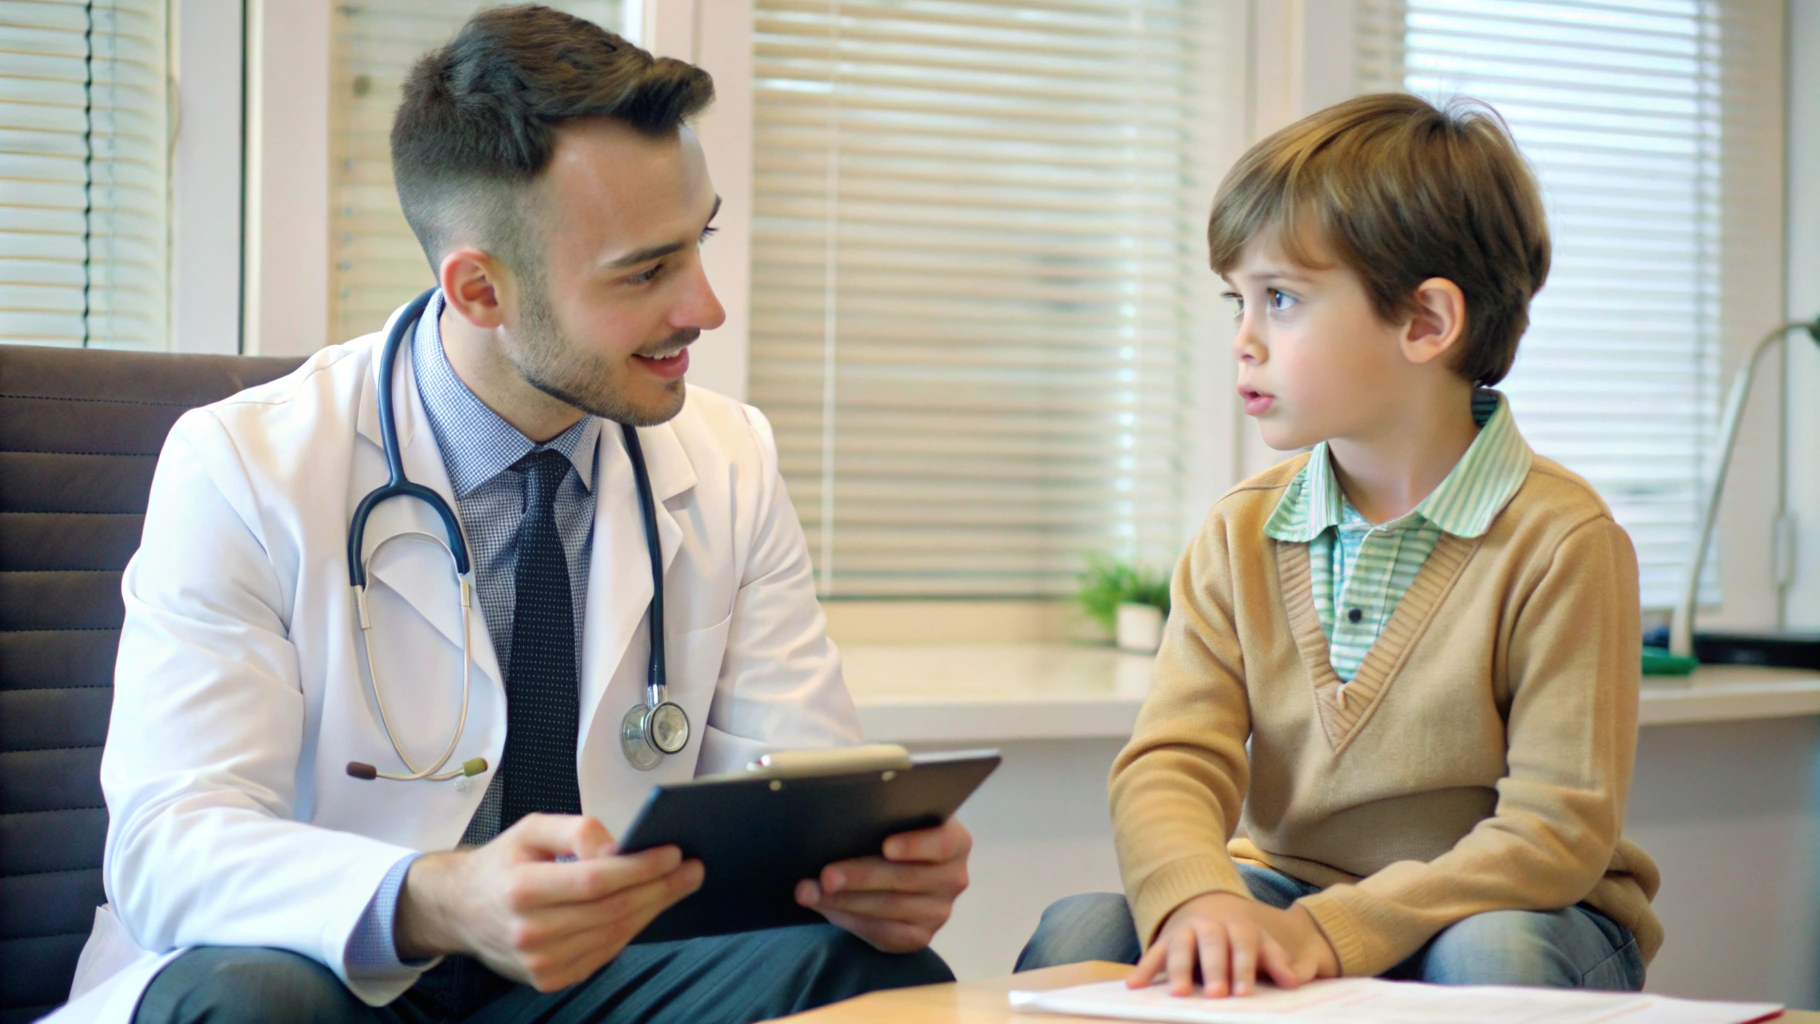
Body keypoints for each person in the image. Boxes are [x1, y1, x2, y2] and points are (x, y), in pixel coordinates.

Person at [62, 8, 969, 1024]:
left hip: (598, 978)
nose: (705, 307)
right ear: (481, 290)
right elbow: (169, 844)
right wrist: (438, 897)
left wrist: (864, 876)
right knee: (249, 1003)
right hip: (340, 974)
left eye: (698, 242)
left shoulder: (729, 457)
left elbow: (794, 788)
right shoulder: (243, 463)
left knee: (865, 976)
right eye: (646, 270)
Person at [1015, 93, 1661, 997]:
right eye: (1237, 301)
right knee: (1086, 929)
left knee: (1486, 958)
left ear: (1426, 323)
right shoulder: (1239, 531)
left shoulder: (1563, 542)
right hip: (1289, 888)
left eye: (1280, 299)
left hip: (1512, 907)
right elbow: (1174, 760)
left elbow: (1553, 835)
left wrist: (1331, 931)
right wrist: (1200, 900)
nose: (1243, 341)